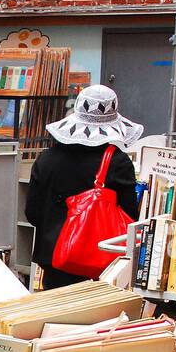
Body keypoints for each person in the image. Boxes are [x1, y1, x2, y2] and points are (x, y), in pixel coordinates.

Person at [25, 84, 142, 290]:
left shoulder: (46, 159)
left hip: (53, 259)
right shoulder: (117, 162)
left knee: (53, 316)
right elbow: (129, 217)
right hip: (98, 261)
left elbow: (32, 213)